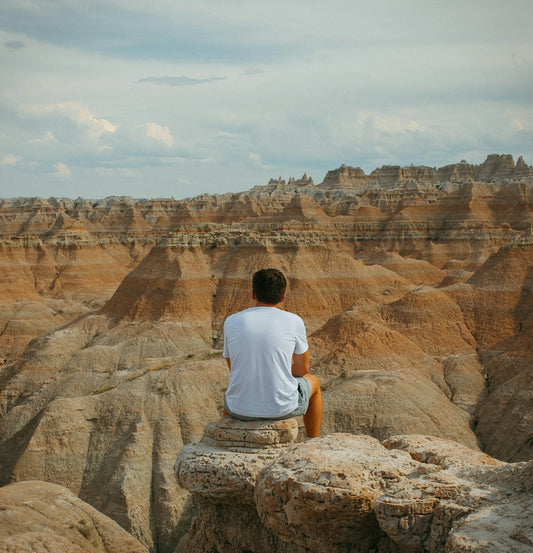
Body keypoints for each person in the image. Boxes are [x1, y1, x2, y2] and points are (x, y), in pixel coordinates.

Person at [223, 268, 322, 438]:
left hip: (237, 410)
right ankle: (312, 441)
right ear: (283, 297)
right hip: (281, 408)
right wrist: (280, 373)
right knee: (314, 382)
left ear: (253, 294)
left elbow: (235, 368)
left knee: (235, 389)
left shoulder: (231, 321)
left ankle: (227, 436)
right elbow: (302, 369)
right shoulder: (294, 321)